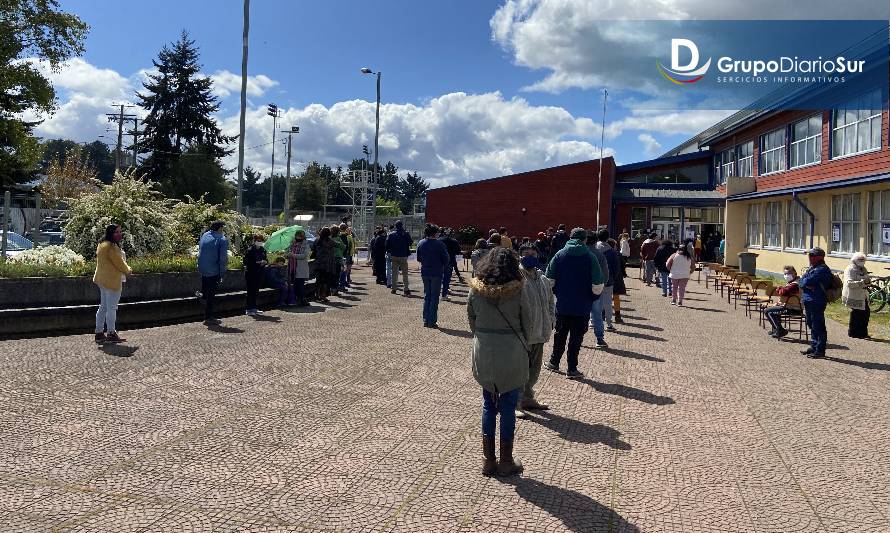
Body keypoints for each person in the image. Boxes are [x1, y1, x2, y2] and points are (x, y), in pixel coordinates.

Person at [467, 246, 532, 477]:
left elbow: (471, 320)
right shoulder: (519, 290)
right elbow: (528, 324)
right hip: (511, 351)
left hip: (484, 350)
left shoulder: (476, 290)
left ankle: (488, 460)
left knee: (488, 404)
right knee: (507, 406)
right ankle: (506, 460)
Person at [544, 228, 605, 379]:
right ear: (584, 239)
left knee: (560, 334)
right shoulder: (590, 257)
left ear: (570, 238)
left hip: (563, 304)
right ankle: (572, 369)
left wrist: (557, 293)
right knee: (576, 338)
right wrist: (592, 297)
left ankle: (554, 361)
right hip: (582, 306)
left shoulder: (559, 254)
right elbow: (598, 283)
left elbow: (548, 279)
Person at [517, 243, 555, 417]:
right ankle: (515, 402)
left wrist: (551, 320)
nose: (530, 256)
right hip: (523, 333)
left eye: (533, 253)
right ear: (520, 256)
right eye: (526, 253)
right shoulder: (516, 277)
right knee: (519, 370)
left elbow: (549, 302)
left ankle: (528, 397)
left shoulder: (542, 278)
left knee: (534, 370)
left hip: (540, 331)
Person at [93, 224, 132, 343]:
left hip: (101, 280)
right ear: (110, 233)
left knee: (103, 307)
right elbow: (119, 263)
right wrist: (129, 271)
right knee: (112, 308)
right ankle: (111, 333)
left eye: (120, 231)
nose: (119, 234)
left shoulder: (101, 244)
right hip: (112, 281)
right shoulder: (111, 247)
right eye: (116, 232)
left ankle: (99, 333)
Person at [798, 247, 834, 358]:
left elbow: (808, 281)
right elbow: (801, 282)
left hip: (817, 300)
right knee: (810, 323)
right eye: (809, 255)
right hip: (808, 299)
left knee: (818, 325)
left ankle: (820, 349)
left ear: (819, 257)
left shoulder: (822, 269)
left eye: (812, 255)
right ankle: (814, 345)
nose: (810, 257)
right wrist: (806, 283)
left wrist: (806, 283)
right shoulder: (812, 268)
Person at [417, 224, 450, 328]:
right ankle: (432, 321)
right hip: (436, 272)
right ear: (434, 233)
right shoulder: (439, 244)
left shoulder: (421, 243)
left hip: (425, 271)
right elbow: (446, 260)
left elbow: (418, 258)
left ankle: (426, 319)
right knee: (434, 297)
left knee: (427, 295)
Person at [197, 221, 229, 325]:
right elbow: (223, 259)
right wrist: (222, 273)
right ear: (220, 228)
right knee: (211, 295)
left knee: (206, 291)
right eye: (222, 228)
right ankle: (208, 317)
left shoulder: (205, 235)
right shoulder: (222, 240)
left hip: (203, 269)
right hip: (213, 271)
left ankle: (202, 296)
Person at [586, 232, 611, 348]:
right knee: (597, 313)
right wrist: (602, 285)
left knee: (581, 313)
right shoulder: (599, 254)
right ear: (595, 241)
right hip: (597, 287)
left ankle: (578, 337)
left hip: (581, 288)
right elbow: (606, 273)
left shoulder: (581, 253)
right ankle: (599, 338)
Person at [763, 266, 801, 338]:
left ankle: (780, 330)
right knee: (772, 309)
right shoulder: (792, 282)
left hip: (794, 308)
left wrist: (780, 288)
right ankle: (776, 330)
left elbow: (784, 292)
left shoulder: (795, 284)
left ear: (795, 273)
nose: (787, 275)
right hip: (789, 306)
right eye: (785, 274)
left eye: (789, 273)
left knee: (768, 311)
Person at [595, 229, 619, 333]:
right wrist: (612, 277)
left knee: (594, 301)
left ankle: (593, 321)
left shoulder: (593, 249)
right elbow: (616, 268)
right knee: (608, 303)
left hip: (595, 280)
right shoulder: (612, 251)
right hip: (608, 281)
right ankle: (608, 323)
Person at [843, 252, 872, 339]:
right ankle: (854, 333)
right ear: (855, 260)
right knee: (856, 314)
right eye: (860, 260)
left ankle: (863, 333)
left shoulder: (863, 268)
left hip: (863, 295)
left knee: (866, 313)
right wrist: (862, 282)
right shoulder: (850, 269)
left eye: (863, 260)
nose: (862, 262)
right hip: (853, 295)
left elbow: (867, 279)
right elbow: (849, 283)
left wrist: (867, 282)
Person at [386, 220, 413, 295]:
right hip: (403, 255)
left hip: (394, 255)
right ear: (402, 225)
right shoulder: (406, 233)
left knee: (394, 273)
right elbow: (410, 242)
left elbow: (387, 245)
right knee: (405, 273)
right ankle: (406, 289)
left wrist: (391, 251)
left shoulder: (391, 234)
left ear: (395, 226)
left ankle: (394, 289)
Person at [244, 234, 268, 315]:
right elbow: (246, 261)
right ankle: (248, 309)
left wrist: (264, 262)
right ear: (254, 241)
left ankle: (254, 308)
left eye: (261, 241)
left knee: (256, 291)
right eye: (258, 240)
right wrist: (256, 262)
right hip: (251, 273)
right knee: (250, 291)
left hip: (259, 272)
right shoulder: (250, 250)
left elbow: (265, 259)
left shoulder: (263, 250)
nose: (260, 242)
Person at [312, 227, 337, 303]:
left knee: (318, 280)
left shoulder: (317, 240)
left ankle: (316, 295)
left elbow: (313, 248)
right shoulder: (330, 241)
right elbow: (338, 245)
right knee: (325, 281)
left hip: (318, 263)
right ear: (329, 233)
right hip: (327, 264)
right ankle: (323, 295)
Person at [287, 229, 311, 306]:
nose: (298, 237)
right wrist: (288, 254)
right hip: (292, 268)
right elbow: (286, 253)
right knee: (295, 285)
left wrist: (293, 255)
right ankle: (296, 299)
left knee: (300, 284)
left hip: (301, 268)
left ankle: (303, 299)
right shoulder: (292, 244)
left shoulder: (305, 244)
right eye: (297, 235)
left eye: (300, 236)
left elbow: (304, 255)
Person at [440, 229, 462, 300]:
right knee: (447, 278)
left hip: (440, 261)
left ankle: (444, 289)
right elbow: (458, 251)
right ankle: (444, 293)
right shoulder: (454, 241)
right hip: (450, 261)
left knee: (441, 276)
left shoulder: (438, 240)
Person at [609, 238, 627, 324]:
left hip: (607, 278)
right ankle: (617, 315)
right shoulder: (617, 254)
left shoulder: (602, 253)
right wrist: (624, 274)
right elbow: (623, 265)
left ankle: (605, 314)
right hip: (616, 278)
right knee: (616, 297)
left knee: (606, 297)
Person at [330, 225, 346, 297]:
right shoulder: (338, 239)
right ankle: (335, 290)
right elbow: (343, 247)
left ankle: (331, 289)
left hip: (330, 259)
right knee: (337, 274)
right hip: (338, 258)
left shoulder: (329, 238)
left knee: (331, 274)